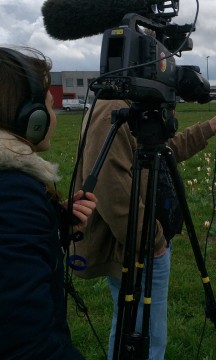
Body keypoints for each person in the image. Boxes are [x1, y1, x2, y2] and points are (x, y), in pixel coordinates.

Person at [71, 98, 216, 359]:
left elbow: (160, 151)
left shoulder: (131, 104)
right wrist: (153, 241)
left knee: (136, 326)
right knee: (145, 334)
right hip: (141, 246)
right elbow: (111, 188)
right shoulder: (112, 108)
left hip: (146, 239)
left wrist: (207, 128)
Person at [0, 47, 97, 359]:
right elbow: (26, 343)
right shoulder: (13, 194)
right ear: (31, 118)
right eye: (50, 107)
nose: (54, 118)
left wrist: (54, 222)